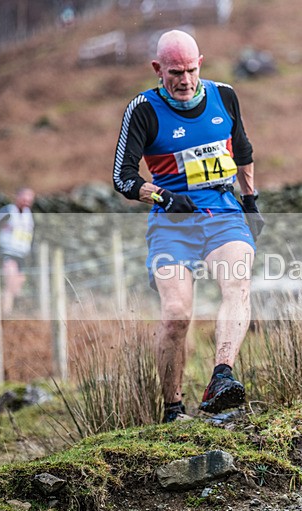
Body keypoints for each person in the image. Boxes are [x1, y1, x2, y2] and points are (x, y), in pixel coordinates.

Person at [112, 30, 264, 423]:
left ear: (202, 63)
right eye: (175, 72)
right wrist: (162, 196)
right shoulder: (143, 109)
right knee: (177, 314)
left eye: (192, 70)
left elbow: (243, 152)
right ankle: (173, 410)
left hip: (222, 212)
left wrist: (250, 203)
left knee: (237, 283)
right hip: (172, 224)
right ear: (157, 69)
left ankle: (222, 376)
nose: (185, 80)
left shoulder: (225, 96)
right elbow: (123, 177)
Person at [0, 187, 35, 315]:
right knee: (10, 284)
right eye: (24, 198)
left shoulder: (28, 215)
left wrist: (30, 251)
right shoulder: (8, 211)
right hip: (7, 253)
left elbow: (29, 235)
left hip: (21, 255)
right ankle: (4, 314)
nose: (27, 202)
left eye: (30, 199)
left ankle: (10, 313)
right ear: (17, 197)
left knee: (17, 288)